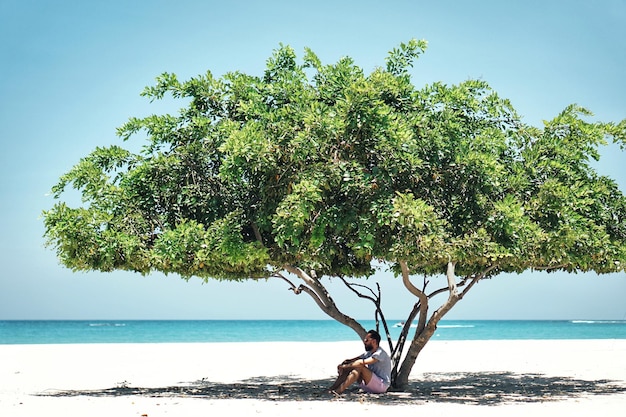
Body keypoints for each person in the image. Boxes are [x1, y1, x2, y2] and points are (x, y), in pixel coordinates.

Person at [328, 329, 392, 395]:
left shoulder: (380, 353)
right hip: (368, 386)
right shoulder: (369, 353)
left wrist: (343, 367)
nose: (364, 342)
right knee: (351, 365)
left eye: (367, 340)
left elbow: (361, 363)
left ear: (374, 341)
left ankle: (338, 391)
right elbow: (352, 360)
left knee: (360, 367)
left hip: (381, 386)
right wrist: (344, 364)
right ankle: (332, 388)